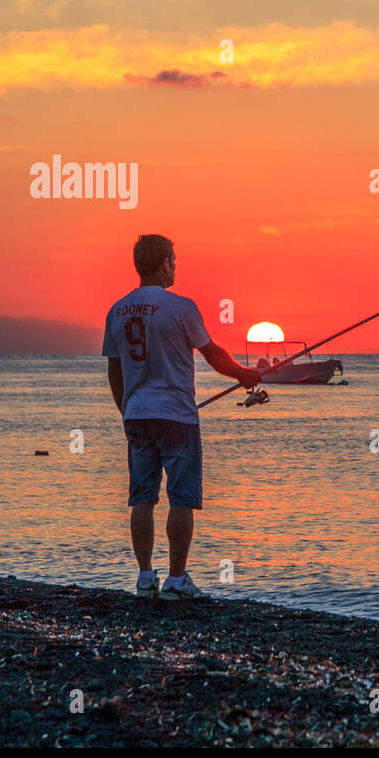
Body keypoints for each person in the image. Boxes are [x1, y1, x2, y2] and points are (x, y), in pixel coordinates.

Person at [102, 235, 261, 600]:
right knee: (181, 499)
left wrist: (126, 410)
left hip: (136, 416)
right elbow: (214, 354)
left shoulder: (117, 310)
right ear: (163, 264)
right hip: (177, 418)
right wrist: (244, 374)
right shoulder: (180, 307)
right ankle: (175, 580)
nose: (176, 265)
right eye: (173, 259)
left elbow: (115, 372)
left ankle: (144, 578)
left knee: (142, 498)